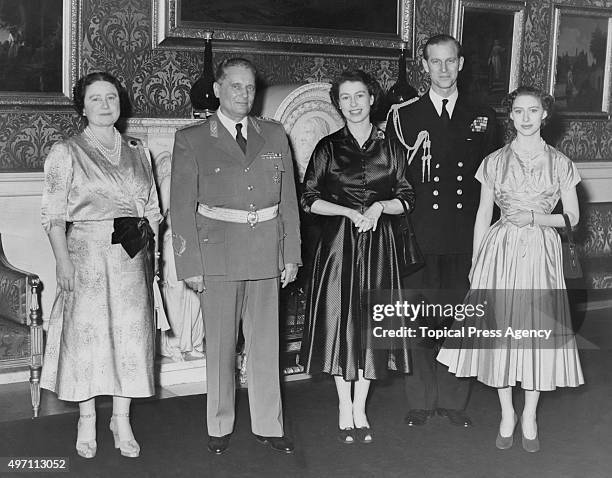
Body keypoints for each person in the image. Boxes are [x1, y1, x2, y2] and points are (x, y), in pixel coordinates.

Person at [437, 86, 584, 452]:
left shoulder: (562, 163)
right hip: (499, 252)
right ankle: (507, 413)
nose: (525, 118)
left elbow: (573, 218)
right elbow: (483, 214)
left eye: (533, 111)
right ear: (511, 115)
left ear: (544, 114)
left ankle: (530, 414)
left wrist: (536, 216)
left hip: (541, 250)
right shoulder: (493, 161)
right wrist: (475, 260)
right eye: (518, 111)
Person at [170, 57, 301, 455]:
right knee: (221, 346)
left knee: (265, 345)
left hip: (266, 252)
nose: (244, 95)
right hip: (217, 256)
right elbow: (181, 207)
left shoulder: (274, 134)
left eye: (249, 88)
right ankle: (220, 423)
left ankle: (268, 425)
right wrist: (189, 265)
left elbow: (289, 202)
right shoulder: (192, 138)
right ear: (217, 90)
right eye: (235, 87)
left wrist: (291, 253)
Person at [40, 72, 162, 459]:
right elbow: (53, 216)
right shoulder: (66, 151)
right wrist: (62, 263)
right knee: (87, 340)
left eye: (111, 97)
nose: (106, 104)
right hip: (86, 257)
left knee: (131, 337)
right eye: (96, 98)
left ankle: (121, 419)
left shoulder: (139, 151)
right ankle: (87, 418)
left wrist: (152, 259)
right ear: (83, 106)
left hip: (132, 258)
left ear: (120, 102)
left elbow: (154, 210)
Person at [387, 34, 499, 427]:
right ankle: (420, 399)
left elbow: (494, 183)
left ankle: (453, 400)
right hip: (419, 235)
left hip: (464, 236)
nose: (443, 69)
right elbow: (393, 179)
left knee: (458, 320)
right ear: (424, 66)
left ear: (461, 64)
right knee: (417, 319)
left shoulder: (482, 115)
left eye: (450, 61)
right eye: (435, 62)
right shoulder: (404, 116)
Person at [300, 69, 414, 445]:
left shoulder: (391, 147)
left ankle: (360, 405)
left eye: (360, 96)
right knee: (339, 320)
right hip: (338, 247)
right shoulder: (328, 148)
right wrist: (348, 212)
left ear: (372, 99)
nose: (353, 104)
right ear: (338, 103)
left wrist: (381, 206)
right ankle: (342, 404)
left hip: (380, 246)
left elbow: (407, 197)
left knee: (371, 324)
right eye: (345, 97)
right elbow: (309, 198)